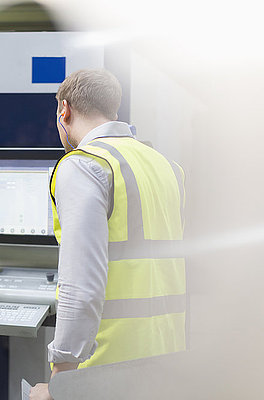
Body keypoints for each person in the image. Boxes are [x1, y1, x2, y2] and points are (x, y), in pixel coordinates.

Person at [30, 69, 186, 399]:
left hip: (107, 367)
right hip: (167, 358)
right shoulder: (165, 166)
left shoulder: (84, 165)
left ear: (64, 110)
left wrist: (61, 376)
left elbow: (80, 285)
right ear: (114, 112)